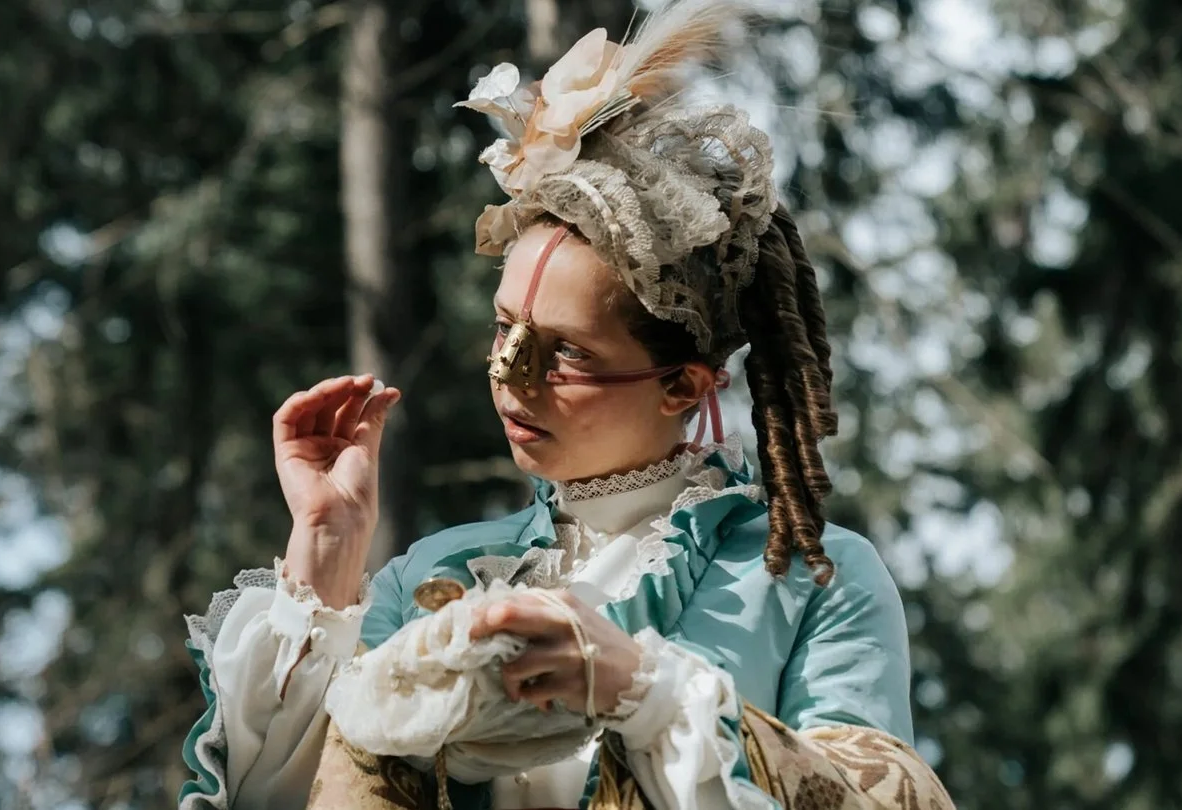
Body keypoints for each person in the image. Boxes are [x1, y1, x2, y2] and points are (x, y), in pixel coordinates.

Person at [179, 2, 953, 808]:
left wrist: (642, 692)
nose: (510, 376)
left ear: (683, 385)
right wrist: (327, 551)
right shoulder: (431, 575)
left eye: (569, 352)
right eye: (504, 328)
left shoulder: (811, 577)